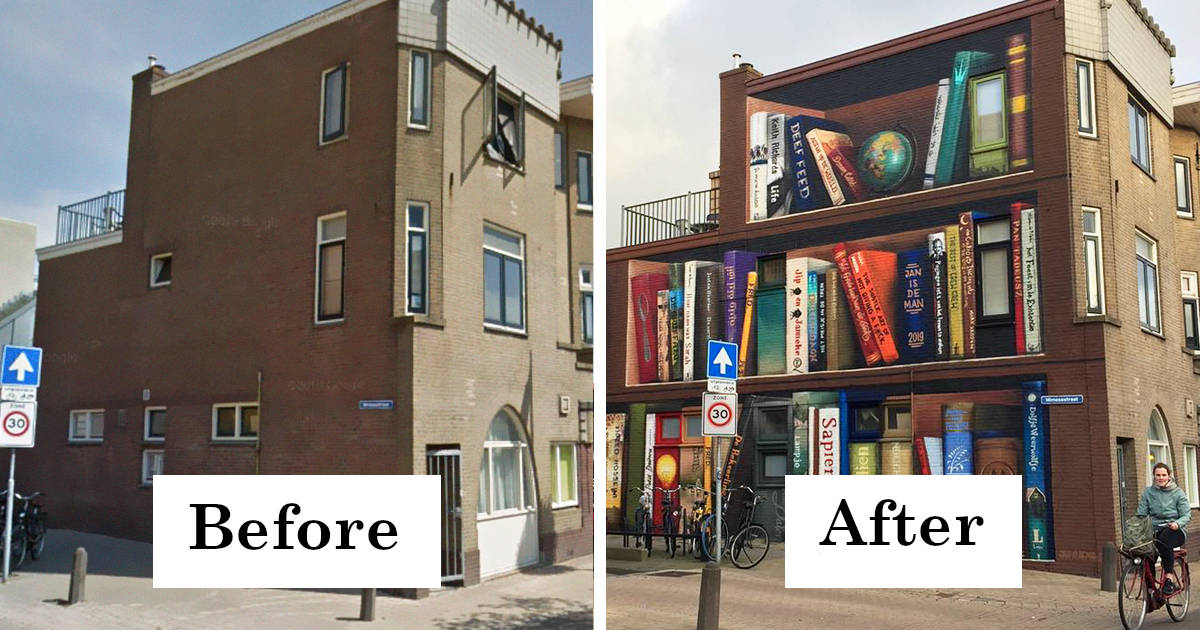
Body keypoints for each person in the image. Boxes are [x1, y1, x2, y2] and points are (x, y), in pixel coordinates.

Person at [1137, 462, 1191, 595]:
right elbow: (1141, 514)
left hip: (1175, 530)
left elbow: (1186, 514)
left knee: (1164, 540)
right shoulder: (1148, 492)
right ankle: (1150, 589)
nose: (1160, 478)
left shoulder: (1178, 493)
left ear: (1169, 476)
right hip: (1155, 528)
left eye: (1163, 475)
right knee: (1146, 552)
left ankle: (1169, 578)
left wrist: (1177, 523)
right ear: (1154, 476)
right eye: (1157, 475)